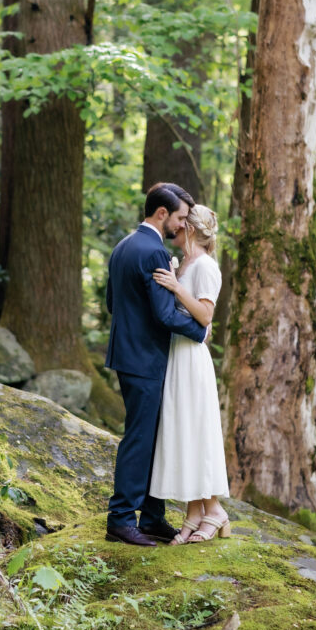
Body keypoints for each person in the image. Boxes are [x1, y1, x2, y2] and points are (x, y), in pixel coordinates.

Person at [105, 182, 208, 547]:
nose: (182, 225)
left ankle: (151, 517)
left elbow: (111, 304)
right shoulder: (153, 252)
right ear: (161, 213)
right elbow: (165, 314)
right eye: (180, 217)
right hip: (146, 358)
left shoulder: (123, 246)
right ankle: (121, 518)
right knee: (140, 437)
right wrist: (200, 329)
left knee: (152, 435)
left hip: (128, 353)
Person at [149, 204, 231, 544]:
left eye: (183, 222)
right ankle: (194, 512)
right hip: (175, 355)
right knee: (183, 432)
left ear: (192, 230)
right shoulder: (183, 263)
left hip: (192, 358)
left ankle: (214, 510)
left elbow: (205, 317)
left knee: (197, 431)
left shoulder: (207, 267)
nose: (176, 226)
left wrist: (177, 288)